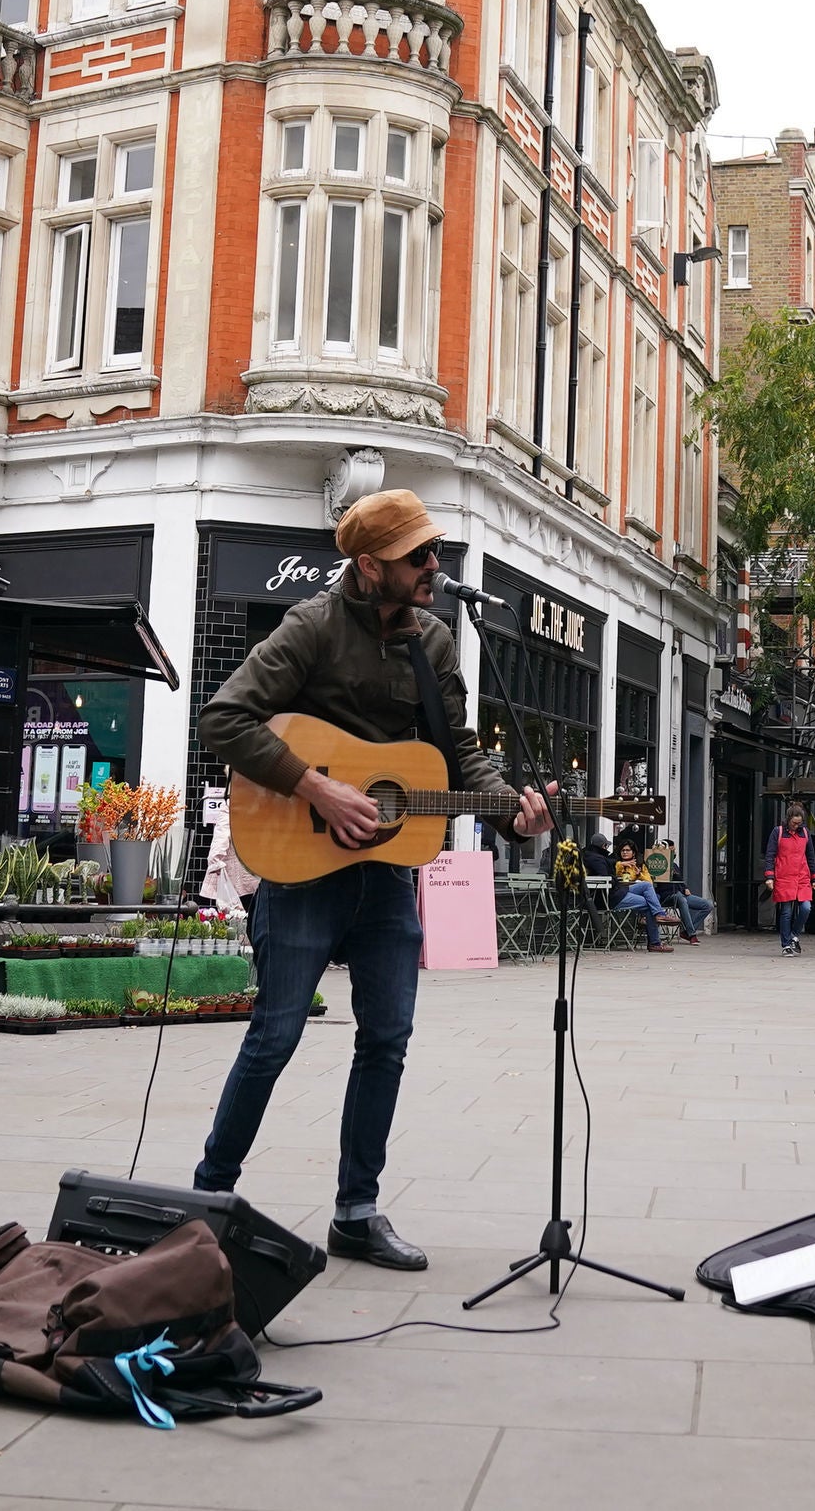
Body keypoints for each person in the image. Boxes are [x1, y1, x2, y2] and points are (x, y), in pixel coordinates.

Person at [192, 489, 552, 1272]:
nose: (434, 566)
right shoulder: (312, 626)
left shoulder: (434, 638)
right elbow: (223, 718)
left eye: (435, 552)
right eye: (418, 556)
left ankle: (356, 1211)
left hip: (388, 876)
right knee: (274, 1037)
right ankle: (208, 1199)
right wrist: (318, 787)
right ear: (369, 565)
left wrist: (508, 813)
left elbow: (459, 753)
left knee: (385, 1039)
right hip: (303, 869)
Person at [765, 805, 815, 952]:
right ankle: (786, 944)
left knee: (806, 908)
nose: (796, 826)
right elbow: (770, 855)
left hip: (802, 876)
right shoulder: (778, 832)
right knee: (786, 912)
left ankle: (794, 935)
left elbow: (811, 856)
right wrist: (769, 876)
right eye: (794, 823)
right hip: (784, 876)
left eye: (799, 823)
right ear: (788, 819)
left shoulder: (805, 833)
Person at [611, 839, 679, 951]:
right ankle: (656, 929)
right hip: (620, 892)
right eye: (623, 850)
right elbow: (613, 870)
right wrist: (621, 864)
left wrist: (640, 874)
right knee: (650, 903)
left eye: (628, 850)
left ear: (633, 853)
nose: (625, 852)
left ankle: (652, 917)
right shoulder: (616, 863)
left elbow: (649, 881)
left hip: (631, 890)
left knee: (649, 890)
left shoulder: (640, 864)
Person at [642, 832, 710, 940]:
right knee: (680, 898)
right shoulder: (654, 864)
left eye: (674, 850)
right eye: (671, 850)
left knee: (707, 905)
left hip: (681, 894)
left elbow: (680, 881)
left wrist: (685, 887)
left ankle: (686, 931)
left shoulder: (674, 866)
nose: (674, 852)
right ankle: (692, 934)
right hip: (667, 896)